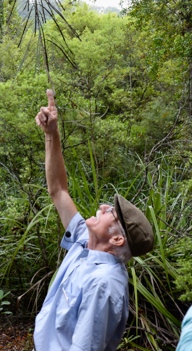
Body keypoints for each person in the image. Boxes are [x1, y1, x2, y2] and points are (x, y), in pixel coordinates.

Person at [34, 90, 154, 351]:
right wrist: (51, 134)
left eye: (111, 212)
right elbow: (58, 190)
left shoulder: (105, 285)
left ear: (117, 238)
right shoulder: (83, 242)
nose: (102, 206)